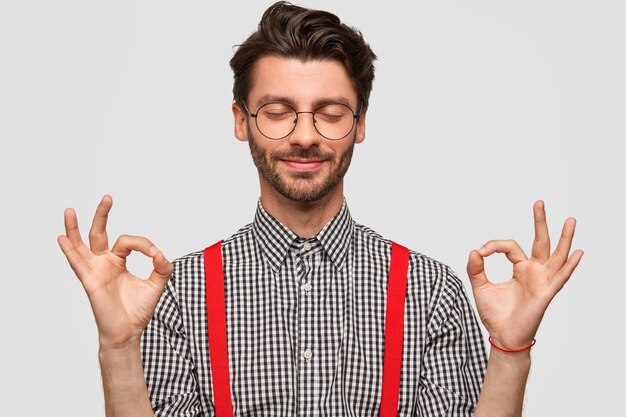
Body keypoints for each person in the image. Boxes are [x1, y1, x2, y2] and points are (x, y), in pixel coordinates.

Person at [57, 2, 583, 416]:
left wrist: (511, 350)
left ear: (360, 123)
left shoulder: (430, 292)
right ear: (241, 121)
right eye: (278, 112)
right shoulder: (177, 291)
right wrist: (119, 345)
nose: (305, 135)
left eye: (330, 114)